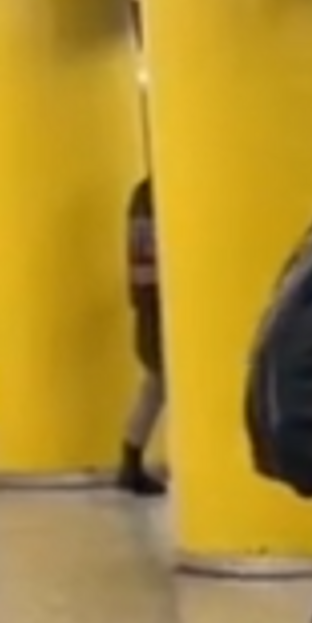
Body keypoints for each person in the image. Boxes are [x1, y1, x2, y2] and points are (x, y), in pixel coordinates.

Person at [121, 176, 167, 496]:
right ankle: (130, 460)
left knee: (155, 384)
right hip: (159, 303)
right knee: (158, 382)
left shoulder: (145, 192)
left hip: (150, 301)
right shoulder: (157, 192)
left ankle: (131, 458)